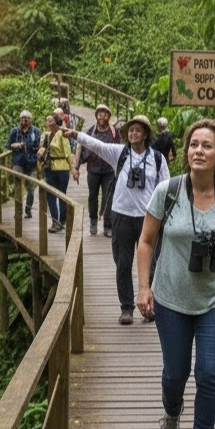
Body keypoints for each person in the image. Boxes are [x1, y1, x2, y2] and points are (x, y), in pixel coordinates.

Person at [136, 119, 215, 429]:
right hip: (171, 297)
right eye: (194, 145)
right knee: (175, 373)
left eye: (207, 146)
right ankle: (171, 413)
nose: (199, 151)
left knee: (209, 373)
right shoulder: (167, 191)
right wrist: (144, 286)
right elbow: (146, 241)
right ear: (186, 152)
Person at [63, 114, 169, 323]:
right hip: (121, 215)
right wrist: (77, 135)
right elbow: (97, 145)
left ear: (145, 134)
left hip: (148, 218)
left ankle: (150, 305)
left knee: (152, 263)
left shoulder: (157, 158)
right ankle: (127, 307)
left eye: (138, 130)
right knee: (123, 263)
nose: (133, 133)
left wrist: (165, 215)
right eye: (130, 130)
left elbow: (165, 187)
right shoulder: (119, 153)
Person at [71, 103, 122, 236]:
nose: (102, 116)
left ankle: (107, 225)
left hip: (109, 170)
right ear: (96, 116)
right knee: (92, 196)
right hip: (93, 169)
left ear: (109, 116)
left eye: (104, 113)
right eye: (99, 113)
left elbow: (119, 151)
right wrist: (76, 168)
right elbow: (82, 149)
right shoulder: (90, 131)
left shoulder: (115, 132)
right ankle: (93, 220)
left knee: (108, 197)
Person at [39, 113, 73, 232]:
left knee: (62, 194)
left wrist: (73, 169)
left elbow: (68, 152)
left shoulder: (62, 133)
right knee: (50, 195)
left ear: (56, 121)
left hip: (62, 168)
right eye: (47, 119)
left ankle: (63, 219)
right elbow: (42, 149)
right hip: (50, 168)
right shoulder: (47, 135)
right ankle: (55, 221)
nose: (48, 121)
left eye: (51, 119)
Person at [6, 110, 41, 218]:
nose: (25, 120)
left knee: (31, 188)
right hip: (18, 162)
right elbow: (8, 145)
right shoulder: (15, 132)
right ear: (20, 120)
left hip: (32, 162)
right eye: (23, 118)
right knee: (18, 187)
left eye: (27, 118)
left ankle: (28, 209)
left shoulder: (36, 131)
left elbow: (39, 146)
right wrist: (14, 145)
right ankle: (18, 211)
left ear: (31, 120)